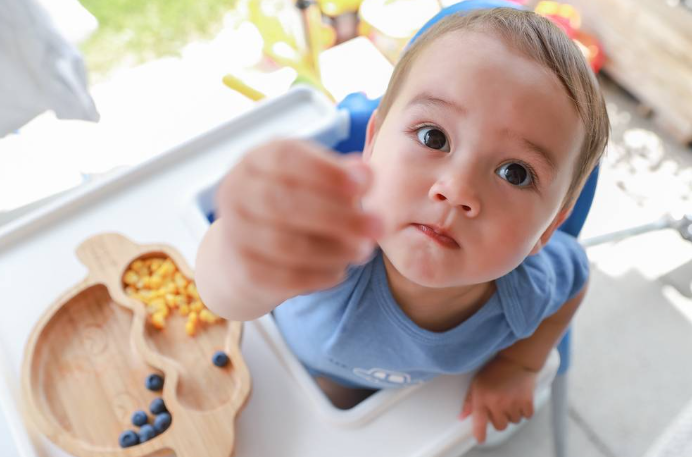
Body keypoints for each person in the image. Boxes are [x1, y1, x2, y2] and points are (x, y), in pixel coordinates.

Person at [195, 7, 609, 444]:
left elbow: (576, 275)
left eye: (515, 173)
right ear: (372, 142)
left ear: (548, 229)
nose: (457, 189)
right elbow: (226, 298)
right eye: (434, 137)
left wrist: (521, 364)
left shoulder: (526, 292)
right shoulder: (332, 240)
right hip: (267, 370)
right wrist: (247, 242)